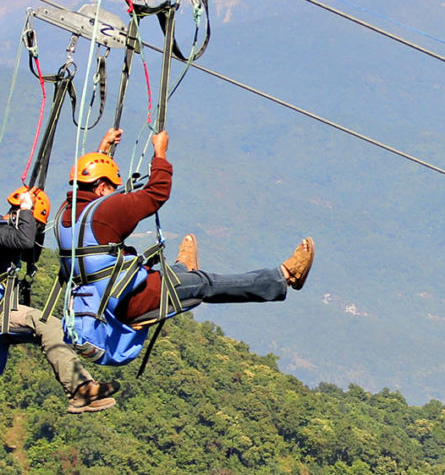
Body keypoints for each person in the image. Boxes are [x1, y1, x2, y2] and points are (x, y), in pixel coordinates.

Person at [54, 127, 314, 365]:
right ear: (101, 188)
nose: (115, 192)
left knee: (171, 276)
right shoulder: (107, 210)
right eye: (112, 187)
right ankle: (283, 278)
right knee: (202, 284)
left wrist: (104, 150)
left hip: (102, 302)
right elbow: (156, 193)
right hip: (130, 302)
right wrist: (160, 153)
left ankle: (182, 268)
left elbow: (88, 184)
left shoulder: (65, 215)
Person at [2, 185, 120, 413]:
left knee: (51, 326)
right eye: (33, 226)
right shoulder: (2, 230)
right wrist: (27, 209)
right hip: (2, 311)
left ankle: (83, 389)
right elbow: (24, 241)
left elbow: (30, 250)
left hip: (5, 309)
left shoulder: (11, 237)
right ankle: (81, 389)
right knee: (48, 324)